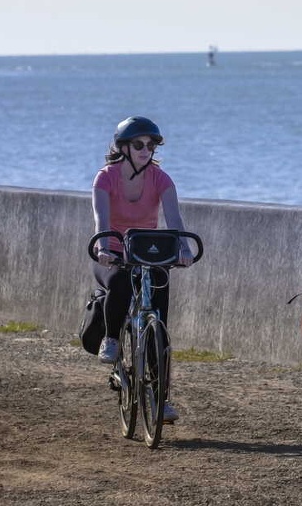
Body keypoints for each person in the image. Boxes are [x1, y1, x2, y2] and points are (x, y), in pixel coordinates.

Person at [91, 115, 194, 424]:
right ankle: (111, 340)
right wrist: (103, 248)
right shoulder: (105, 178)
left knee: (158, 324)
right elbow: (102, 222)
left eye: (151, 145)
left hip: (147, 251)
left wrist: (185, 250)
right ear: (123, 147)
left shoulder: (161, 179)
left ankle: (161, 401)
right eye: (138, 145)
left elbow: (175, 221)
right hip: (114, 252)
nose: (145, 150)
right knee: (121, 281)